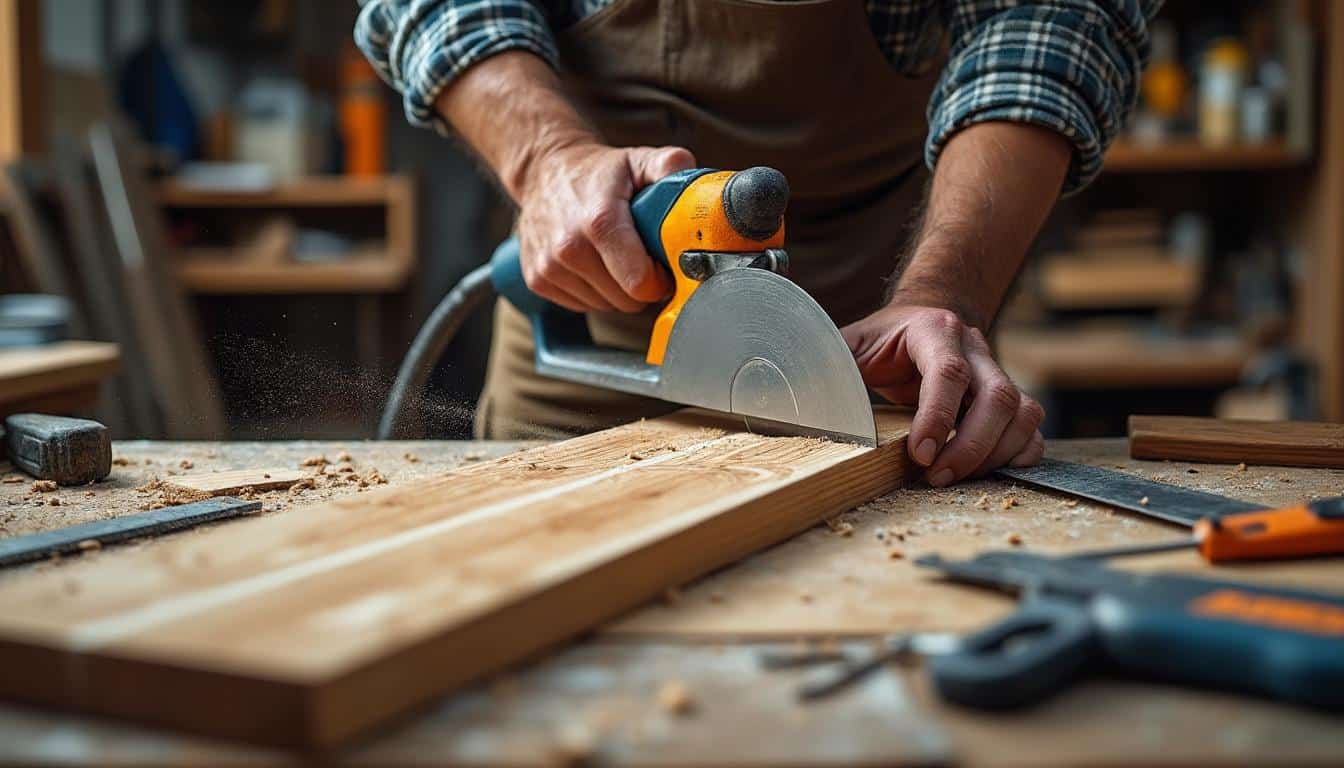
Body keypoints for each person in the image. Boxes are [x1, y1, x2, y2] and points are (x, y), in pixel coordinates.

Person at [356, 0, 1158, 486]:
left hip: (873, 364)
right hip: (583, 278)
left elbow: (1047, 23)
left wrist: (939, 294)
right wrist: (546, 159)